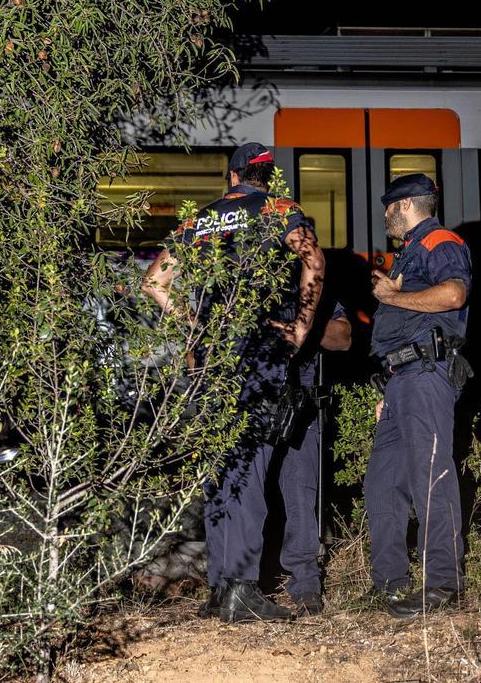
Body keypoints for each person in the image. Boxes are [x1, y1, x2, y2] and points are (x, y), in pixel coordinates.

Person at [142, 142, 324, 623]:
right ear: (267, 177)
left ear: (233, 177)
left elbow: (154, 282)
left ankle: (222, 588)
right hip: (258, 351)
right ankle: (241, 588)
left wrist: (194, 325)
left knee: (222, 465)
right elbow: (314, 262)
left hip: (212, 356)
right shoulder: (280, 210)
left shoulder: (199, 220)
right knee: (247, 463)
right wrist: (303, 325)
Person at [367, 173, 472, 618]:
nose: (385, 216)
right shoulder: (411, 250)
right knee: (383, 482)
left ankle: (443, 587)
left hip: (425, 372)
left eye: (389, 207)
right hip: (400, 380)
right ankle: (391, 584)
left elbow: (453, 294)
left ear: (406, 205)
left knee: (432, 478)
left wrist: (394, 295)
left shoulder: (439, 241)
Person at [278, 301, 351, 617]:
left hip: (299, 405)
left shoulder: (312, 282)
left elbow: (344, 336)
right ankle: (236, 583)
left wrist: (298, 329)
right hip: (246, 401)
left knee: (300, 491)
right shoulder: (241, 273)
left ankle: (305, 583)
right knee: (243, 497)